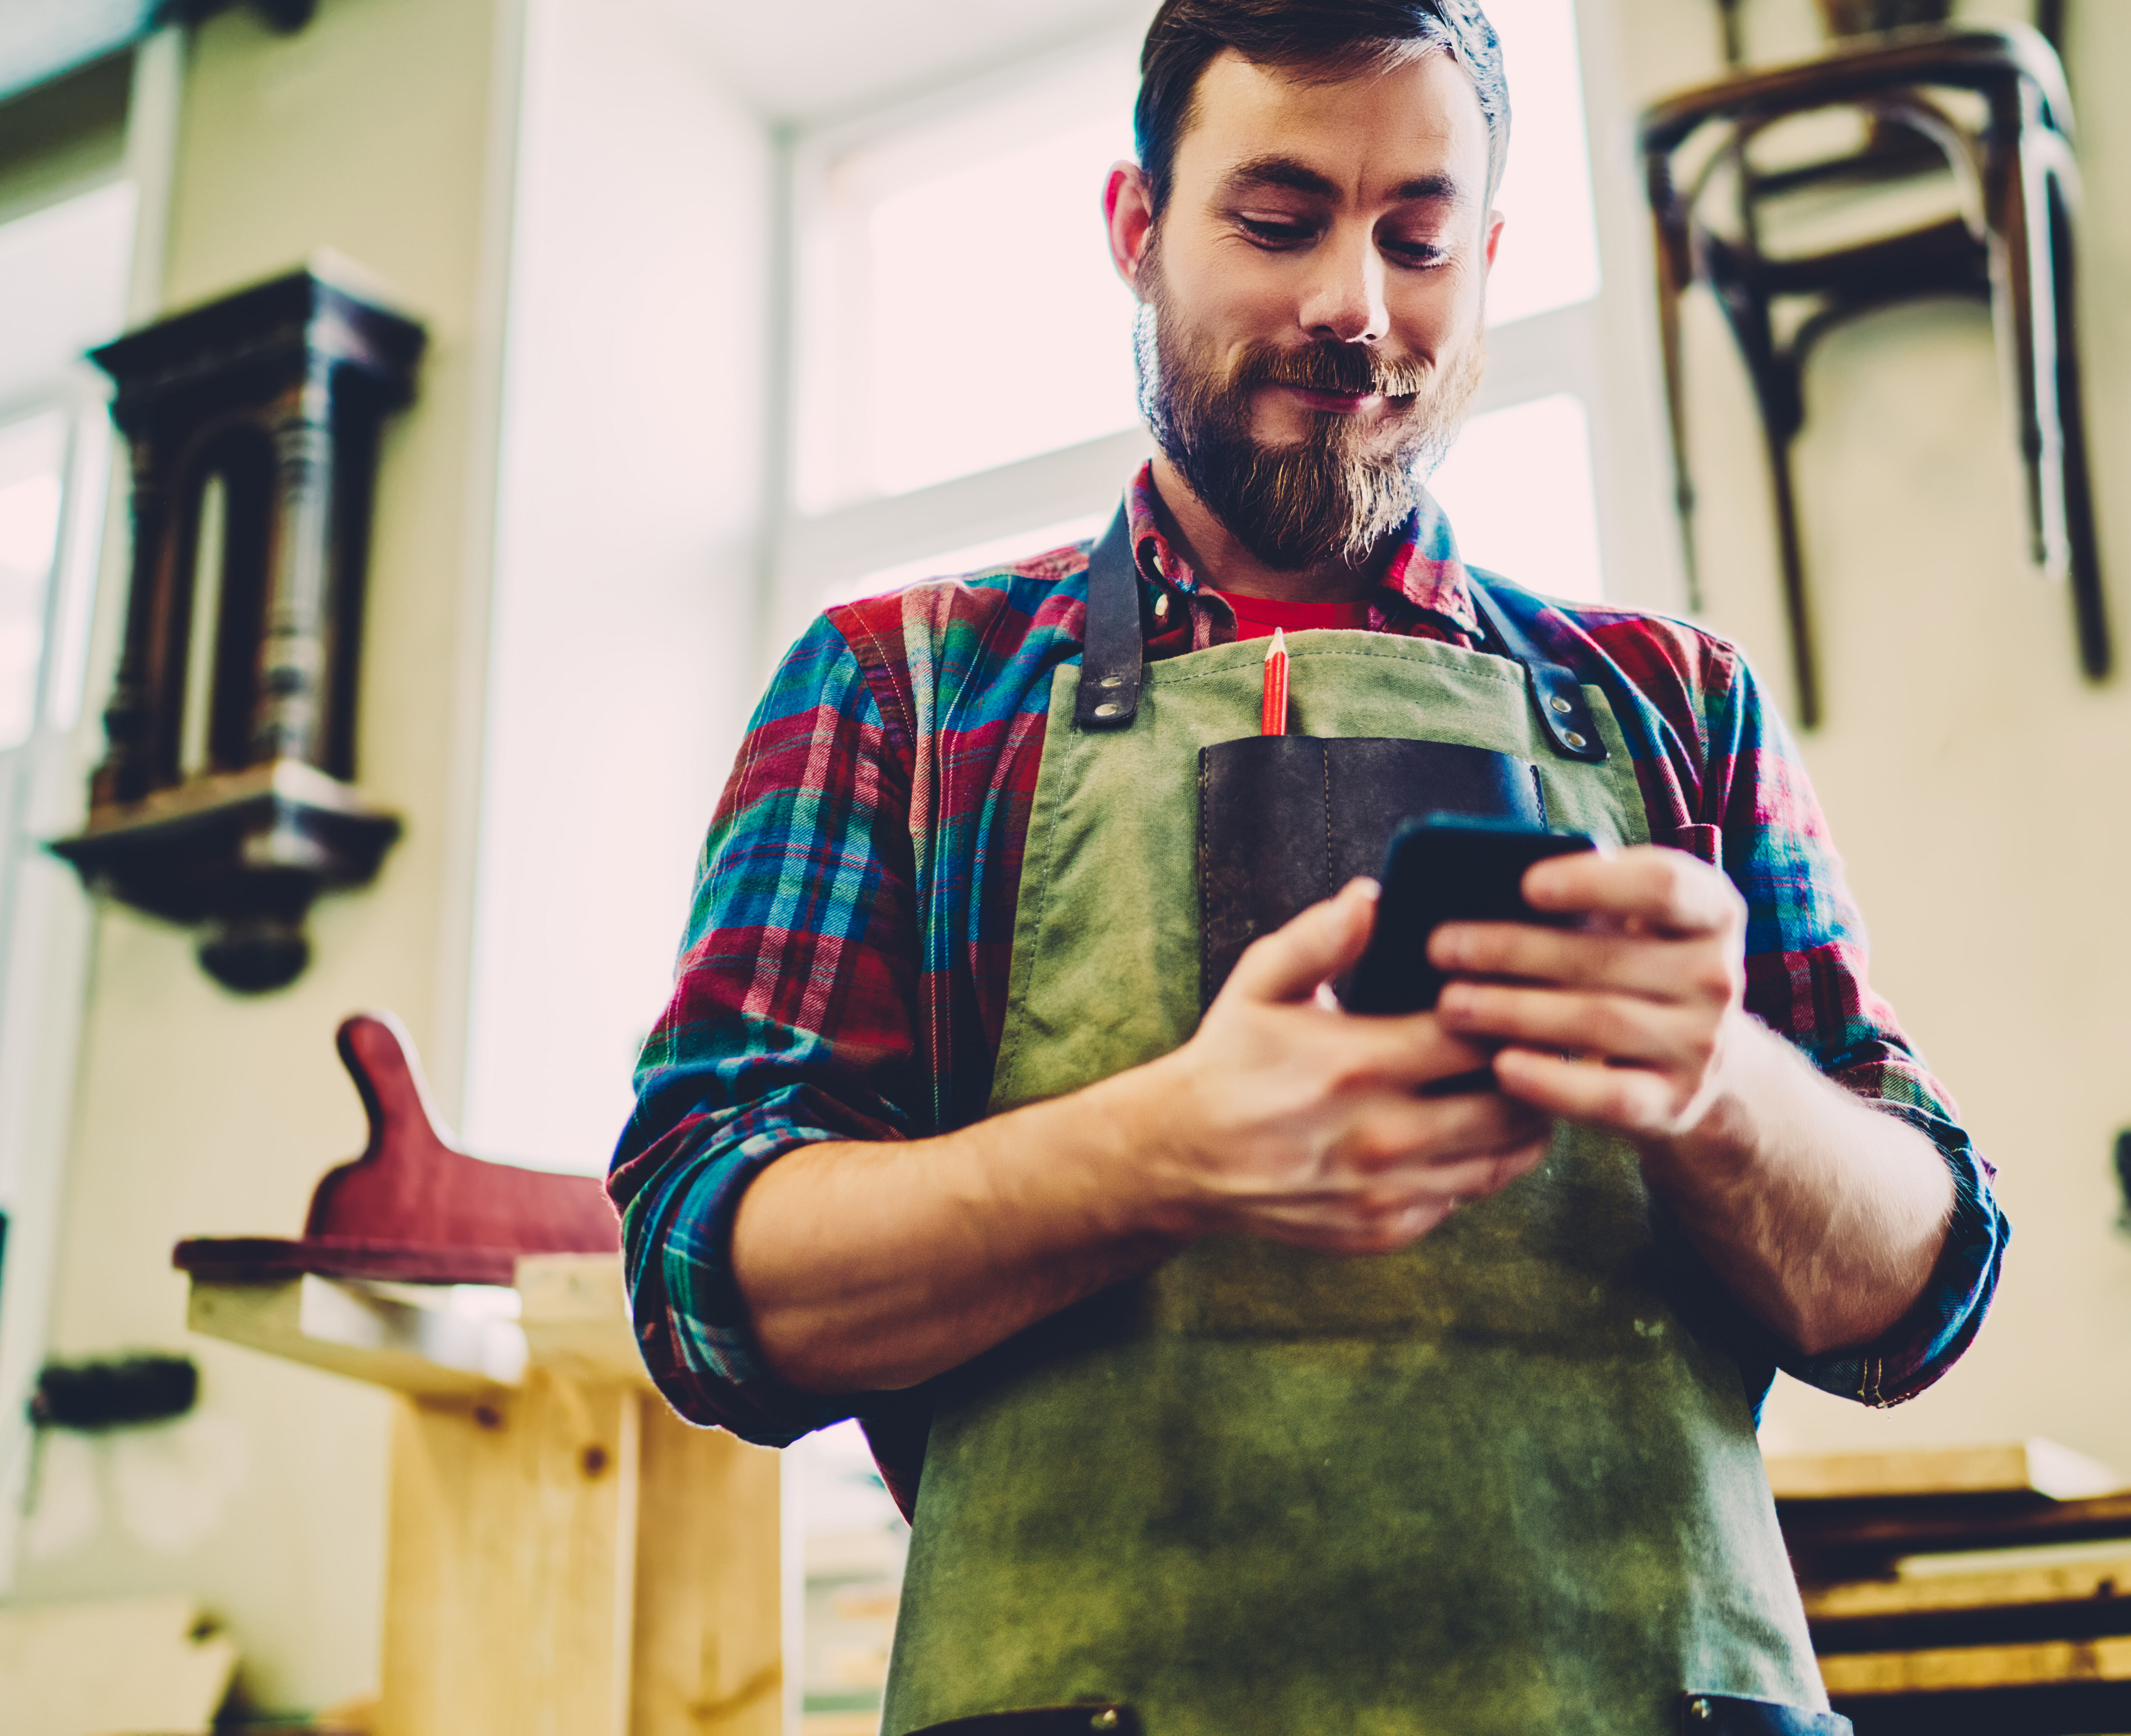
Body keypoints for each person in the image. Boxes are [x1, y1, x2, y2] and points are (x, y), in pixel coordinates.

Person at [611, 2, 2005, 1731]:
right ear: (1137, 230)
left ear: (1484, 258)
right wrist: (1159, 1151)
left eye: (1416, 239)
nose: (1353, 307)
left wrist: (1718, 1083)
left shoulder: (1675, 704)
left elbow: (1919, 1289)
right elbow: (697, 1274)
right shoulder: (900, 689)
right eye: (1276, 224)